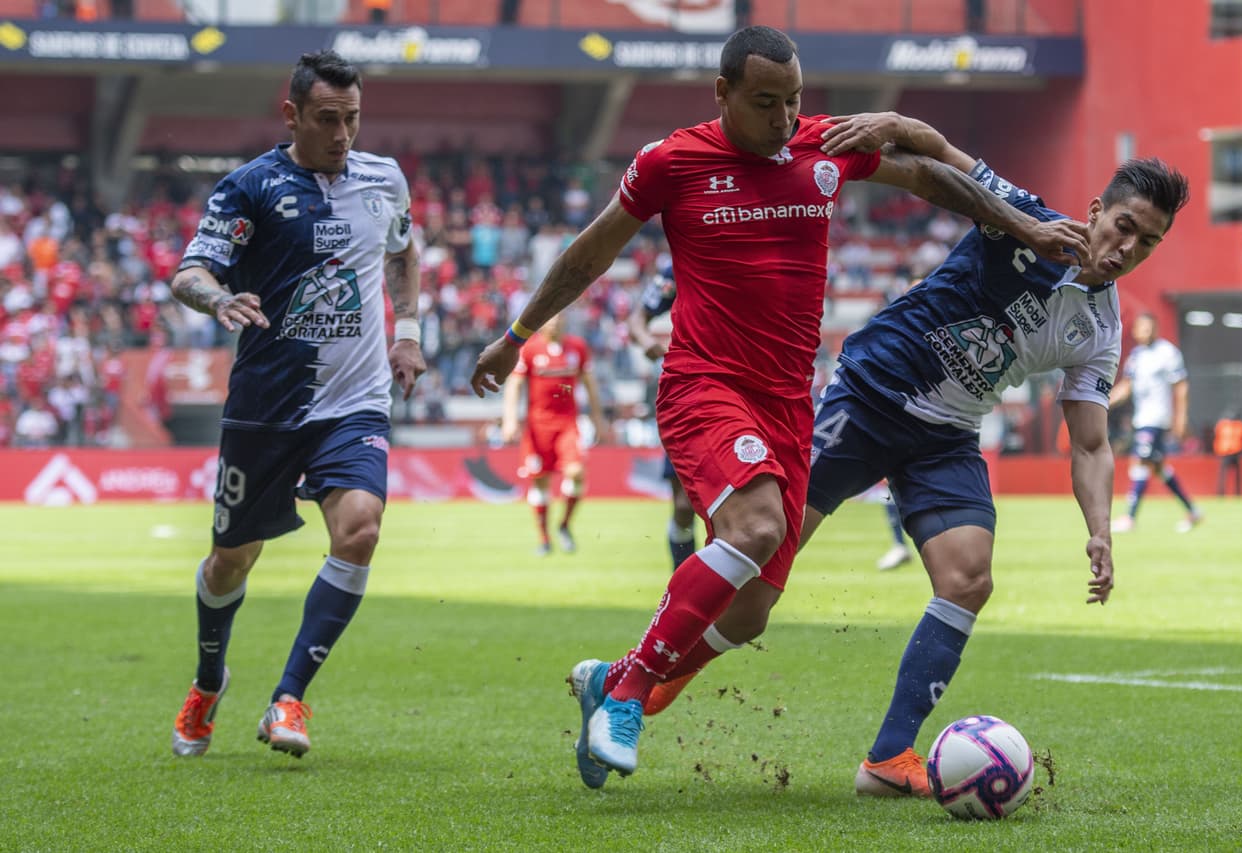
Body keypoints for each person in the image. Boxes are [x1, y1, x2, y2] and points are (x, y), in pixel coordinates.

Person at [469, 25, 1089, 788]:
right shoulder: (672, 162)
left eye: (794, 100)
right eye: (765, 102)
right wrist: (517, 334)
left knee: (751, 613)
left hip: (789, 405)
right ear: (722, 93)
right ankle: (628, 696)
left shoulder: (821, 144)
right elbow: (592, 250)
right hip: (706, 383)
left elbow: (933, 178)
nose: (783, 118)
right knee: (756, 526)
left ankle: (615, 675)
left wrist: (1023, 226)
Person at [647, 137, 1189, 795]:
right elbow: (938, 154)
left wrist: (1099, 529)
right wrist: (887, 120)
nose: (1128, 248)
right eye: (1125, 226)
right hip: (869, 394)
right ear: (1099, 211)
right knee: (753, 595)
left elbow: (1091, 443)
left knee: (968, 577)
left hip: (947, 434)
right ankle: (658, 668)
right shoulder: (1024, 218)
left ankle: (887, 758)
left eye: (1148, 242)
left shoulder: (1101, 330)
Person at [168, 50, 425, 760]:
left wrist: (407, 333)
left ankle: (289, 695)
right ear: (292, 114)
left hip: (356, 401)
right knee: (231, 561)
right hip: (267, 405)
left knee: (361, 531)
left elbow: (403, 250)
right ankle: (209, 678)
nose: (342, 134)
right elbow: (188, 271)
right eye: (326, 119)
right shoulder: (249, 187)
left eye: (353, 118)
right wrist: (218, 296)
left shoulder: (384, 178)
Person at [501, 310, 605, 555]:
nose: (555, 322)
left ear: (565, 322)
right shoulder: (530, 349)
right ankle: (544, 538)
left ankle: (565, 525)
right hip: (538, 427)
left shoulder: (577, 348)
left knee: (576, 472)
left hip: (568, 424)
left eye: (559, 318)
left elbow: (590, 383)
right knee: (541, 482)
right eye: (550, 318)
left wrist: (598, 418)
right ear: (542, 323)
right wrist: (509, 419)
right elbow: (514, 384)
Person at [626, 264, 699, 570]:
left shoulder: (748, 260)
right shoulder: (676, 271)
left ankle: (722, 596)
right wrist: (648, 344)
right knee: (684, 506)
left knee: (734, 510)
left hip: (739, 389)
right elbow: (636, 322)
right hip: (687, 394)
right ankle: (682, 581)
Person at [1109, 312, 1202, 532]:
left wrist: (1181, 417)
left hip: (1157, 417)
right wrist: (1103, 400)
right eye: (1141, 328)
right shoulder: (1136, 356)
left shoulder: (1167, 352)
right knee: (1157, 467)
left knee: (1141, 461)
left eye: (1149, 328)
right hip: (1141, 419)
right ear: (1135, 331)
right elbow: (1126, 386)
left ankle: (1129, 518)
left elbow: (1181, 385)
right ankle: (1193, 511)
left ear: (1156, 329)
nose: (1145, 332)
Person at [1213, 408, 1242, 496]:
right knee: (1226, 475)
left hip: (1231, 452)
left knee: (1227, 474)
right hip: (1229, 452)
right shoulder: (1237, 425)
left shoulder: (1223, 425)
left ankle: (1233, 493)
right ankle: (1226, 492)